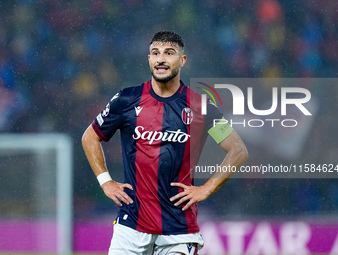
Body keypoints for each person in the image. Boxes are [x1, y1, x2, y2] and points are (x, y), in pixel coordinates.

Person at [81, 30, 248, 255]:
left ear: (182, 60)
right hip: (131, 226)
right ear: (149, 59)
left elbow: (237, 150)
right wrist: (105, 181)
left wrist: (205, 190)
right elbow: (90, 136)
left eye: (169, 53)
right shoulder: (127, 100)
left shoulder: (202, 106)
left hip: (178, 230)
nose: (161, 59)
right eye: (155, 53)